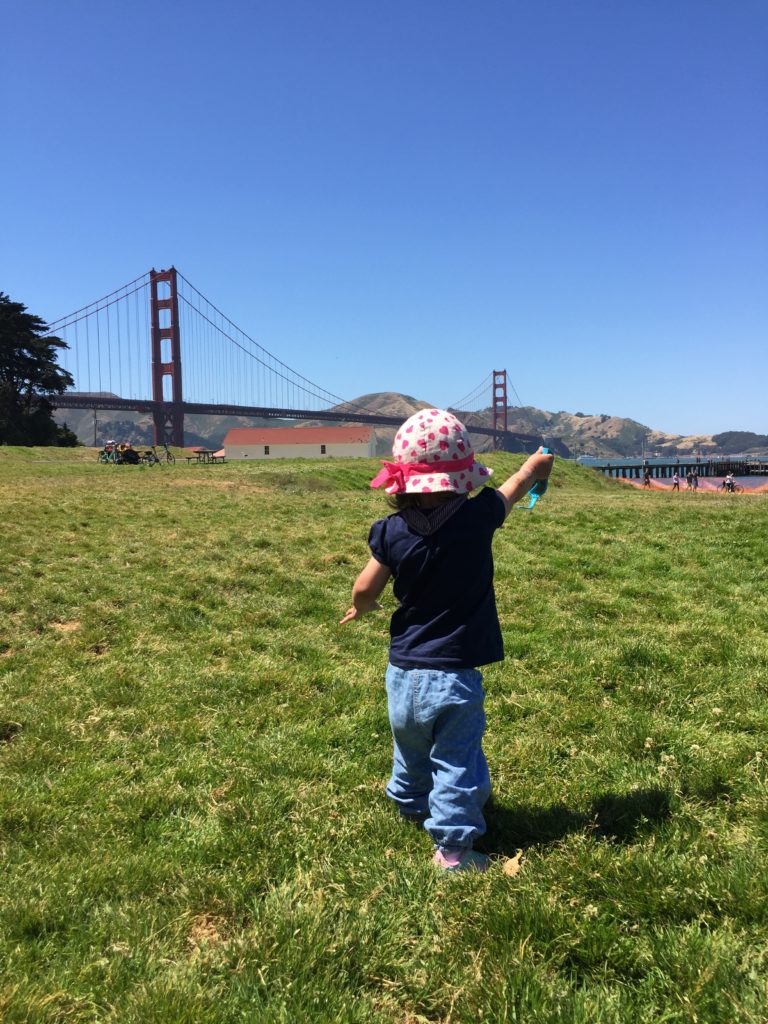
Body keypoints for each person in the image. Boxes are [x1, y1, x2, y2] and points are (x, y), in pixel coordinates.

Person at [340, 409, 554, 872]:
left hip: (401, 672)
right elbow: (515, 488)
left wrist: (362, 606)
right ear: (463, 478)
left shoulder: (390, 531)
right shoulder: (478, 517)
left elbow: (365, 585)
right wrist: (534, 467)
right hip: (453, 676)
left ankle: (410, 803)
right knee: (456, 761)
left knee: (411, 745)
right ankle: (453, 850)